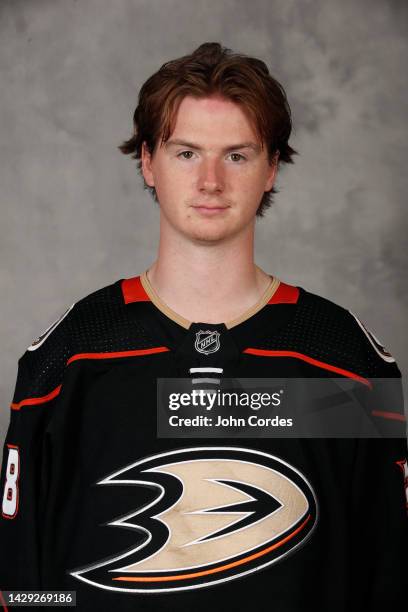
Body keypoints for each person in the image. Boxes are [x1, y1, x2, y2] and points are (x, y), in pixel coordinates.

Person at [0, 42, 407, 612]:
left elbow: (388, 576)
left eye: (236, 156)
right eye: (187, 153)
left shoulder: (344, 357)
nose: (211, 181)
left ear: (271, 167)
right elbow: (21, 587)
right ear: (148, 161)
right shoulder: (70, 357)